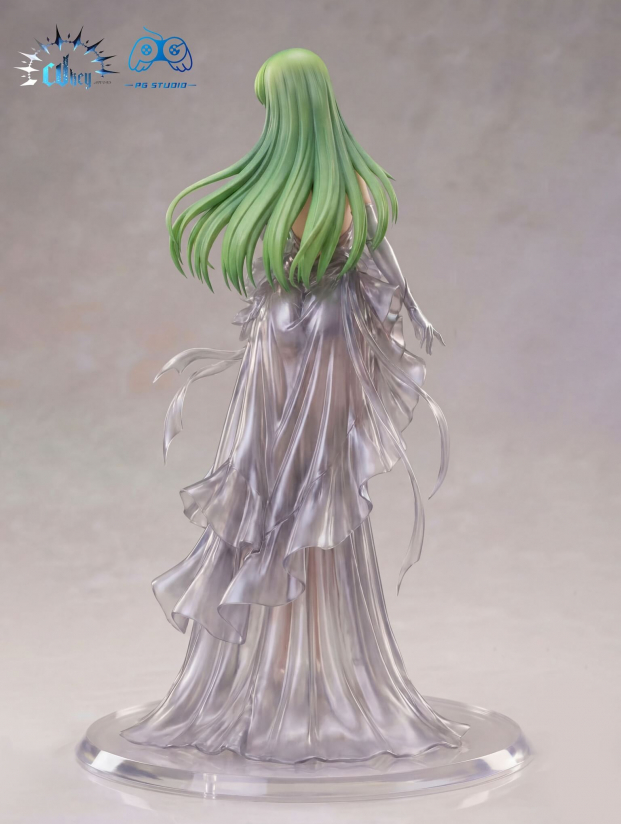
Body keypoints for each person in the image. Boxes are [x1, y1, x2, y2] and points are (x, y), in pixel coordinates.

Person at [121, 47, 468, 764]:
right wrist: (391, 318)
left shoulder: (286, 191)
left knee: (292, 499)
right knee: (304, 502)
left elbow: (287, 271)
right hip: (319, 347)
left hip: (286, 348)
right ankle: (287, 675)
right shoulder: (351, 190)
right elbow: (376, 280)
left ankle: (287, 676)